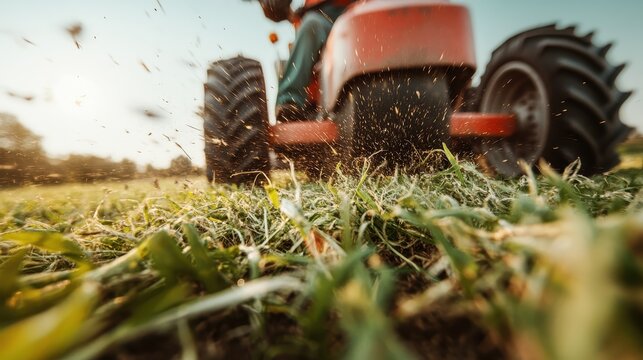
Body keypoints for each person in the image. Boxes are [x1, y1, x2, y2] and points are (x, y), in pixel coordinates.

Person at [260, 0, 356, 121]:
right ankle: (290, 103)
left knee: (311, 24)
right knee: (310, 24)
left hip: (348, 16)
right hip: (324, 22)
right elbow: (276, 9)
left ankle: (291, 97)